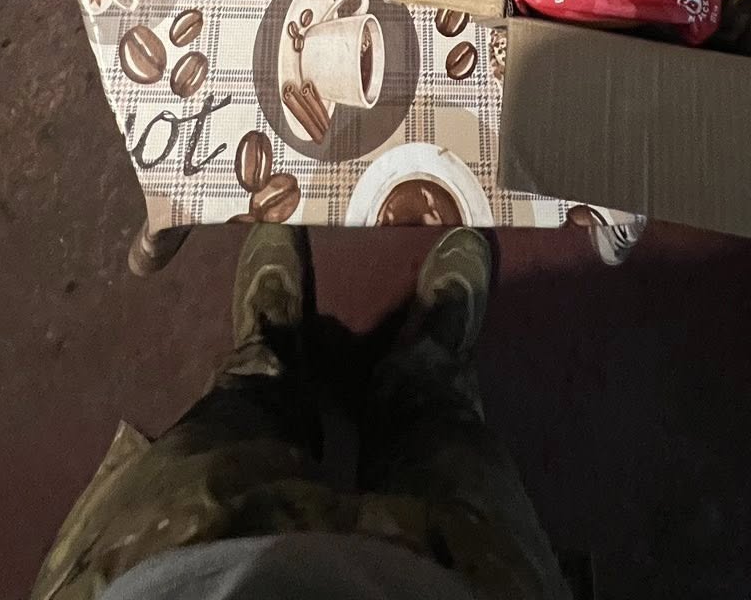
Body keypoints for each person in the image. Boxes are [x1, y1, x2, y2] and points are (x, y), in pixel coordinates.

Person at [31, 228, 569, 600]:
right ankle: (425, 381)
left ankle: (271, 359)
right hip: (462, 579)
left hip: (170, 558)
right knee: (448, 457)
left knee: (229, 427)